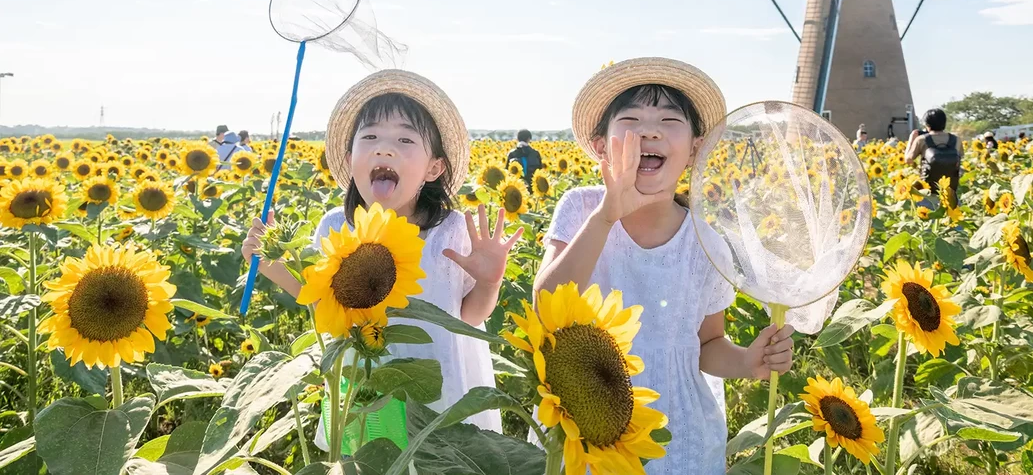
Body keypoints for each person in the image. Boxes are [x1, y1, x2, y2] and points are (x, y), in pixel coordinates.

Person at [533, 58, 795, 474]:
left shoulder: (705, 241)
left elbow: (707, 344)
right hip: (583, 411)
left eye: (670, 119)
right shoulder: (582, 208)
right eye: (632, 118)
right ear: (602, 146)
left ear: (695, 148)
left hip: (679, 424)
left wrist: (748, 362)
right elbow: (545, 302)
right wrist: (605, 217)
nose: (650, 130)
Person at [241, 70, 518, 445]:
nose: (383, 149)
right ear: (350, 158)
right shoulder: (337, 228)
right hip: (365, 380)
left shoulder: (451, 232)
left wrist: (489, 281)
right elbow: (325, 300)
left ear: (433, 168)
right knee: (370, 458)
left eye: (405, 139)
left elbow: (469, 317)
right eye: (369, 137)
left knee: (438, 460)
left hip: (440, 384)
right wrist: (272, 265)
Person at [905, 108, 962, 198]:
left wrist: (912, 139)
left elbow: (908, 159)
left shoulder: (922, 139)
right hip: (950, 193)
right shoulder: (956, 139)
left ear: (927, 124)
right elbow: (960, 158)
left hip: (927, 192)